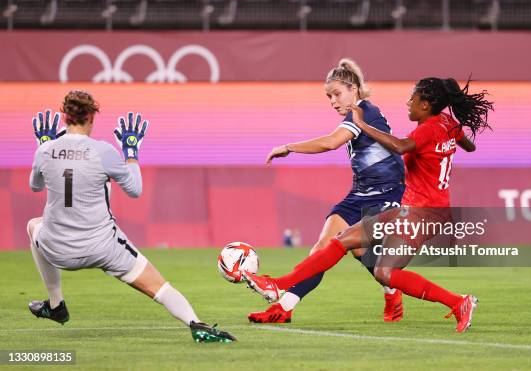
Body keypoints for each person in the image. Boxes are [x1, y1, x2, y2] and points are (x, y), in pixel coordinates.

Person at [243, 77, 494, 333]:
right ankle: (458, 302)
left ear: (427, 105)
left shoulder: (427, 128)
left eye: (413, 99)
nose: (408, 103)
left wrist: (362, 125)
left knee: (367, 257)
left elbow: (399, 146)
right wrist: (449, 144)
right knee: (362, 253)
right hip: (419, 209)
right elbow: (469, 147)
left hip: (422, 212)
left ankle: (278, 284)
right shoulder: (447, 123)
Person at [27, 90, 235, 343]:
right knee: (159, 287)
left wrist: (44, 146)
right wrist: (131, 153)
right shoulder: (103, 151)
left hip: (58, 249)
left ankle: (56, 303)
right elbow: (135, 190)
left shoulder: (46, 150)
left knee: (34, 225)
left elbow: (36, 187)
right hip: (103, 247)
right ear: (91, 117)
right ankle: (197, 325)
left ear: (64, 117)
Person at [248, 59, 406, 323]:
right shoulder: (355, 115)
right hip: (360, 193)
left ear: (353, 88)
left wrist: (289, 147)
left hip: (387, 194)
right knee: (327, 247)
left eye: (337, 94)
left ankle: (393, 292)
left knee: (346, 245)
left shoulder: (365, 112)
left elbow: (332, 142)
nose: (332, 101)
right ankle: (283, 309)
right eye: (328, 97)